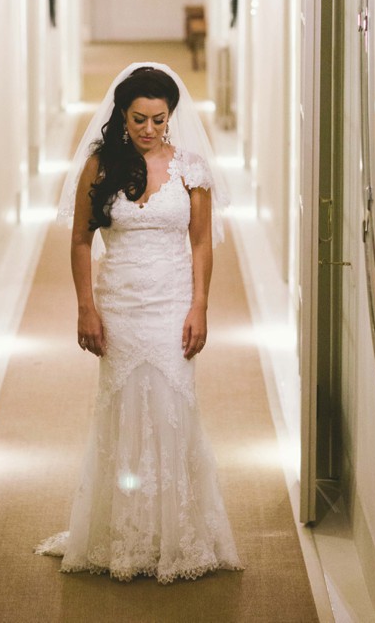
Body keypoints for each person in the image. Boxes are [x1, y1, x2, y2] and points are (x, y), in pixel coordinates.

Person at [37, 63, 242, 583]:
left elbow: (200, 242)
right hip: (121, 303)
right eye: (137, 119)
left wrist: (200, 306)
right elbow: (81, 240)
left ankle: (177, 531)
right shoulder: (101, 167)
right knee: (123, 407)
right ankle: (123, 532)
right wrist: (86, 306)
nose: (148, 129)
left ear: (171, 116)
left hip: (172, 302)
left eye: (158, 119)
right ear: (121, 117)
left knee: (174, 405)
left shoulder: (191, 168)